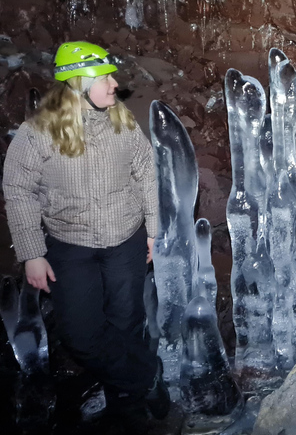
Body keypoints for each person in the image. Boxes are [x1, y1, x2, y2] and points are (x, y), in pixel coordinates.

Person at [2, 41, 170, 428]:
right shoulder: (38, 134)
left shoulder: (121, 121)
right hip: (70, 246)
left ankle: (126, 407)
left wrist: (152, 231)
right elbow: (19, 190)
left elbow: (146, 172)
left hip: (125, 240)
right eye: (105, 77)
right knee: (80, 333)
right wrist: (32, 252)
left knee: (126, 322)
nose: (114, 84)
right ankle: (146, 377)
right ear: (78, 84)